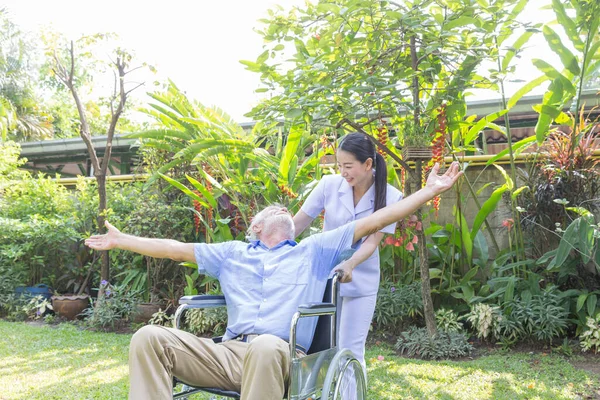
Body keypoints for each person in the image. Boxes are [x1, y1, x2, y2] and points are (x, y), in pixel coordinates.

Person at [85, 162, 462, 400]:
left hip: (282, 355)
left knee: (266, 344)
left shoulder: (313, 249)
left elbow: (375, 222)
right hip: (229, 354)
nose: (285, 208)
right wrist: (122, 240)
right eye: (273, 210)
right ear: (257, 227)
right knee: (148, 337)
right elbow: (173, 248)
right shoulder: (233, 252)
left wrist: (431, 191)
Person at [293, 132, 402, 372]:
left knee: (350, 351)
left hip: (361, 281)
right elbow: (299, 223)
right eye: (339, 165)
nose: (343, 172)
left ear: (368, 164)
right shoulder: (328, 185)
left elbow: (371, 243)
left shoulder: (391, 196)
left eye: (348, 166)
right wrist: (275, 242)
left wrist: (350, 264)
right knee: (317, 350)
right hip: (322, 279)